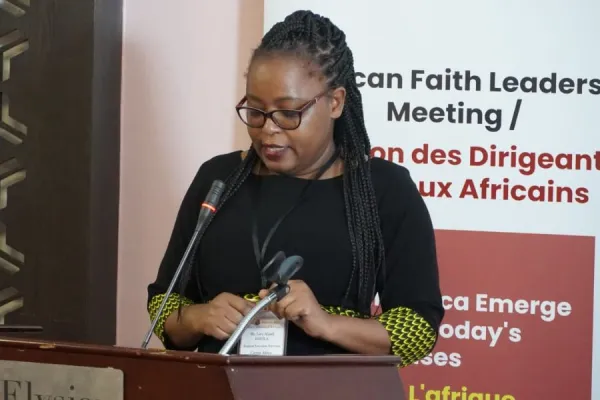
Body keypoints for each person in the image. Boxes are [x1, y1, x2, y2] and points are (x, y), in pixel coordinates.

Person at [147, 10, 444, 366]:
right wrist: (198, 318)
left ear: (335, 102)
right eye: (255, 111)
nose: (268, 130)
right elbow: (164, 306)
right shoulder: (218, 179)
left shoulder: (383, 189)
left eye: (288, 113)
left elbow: (418, 330)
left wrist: (327, 324)